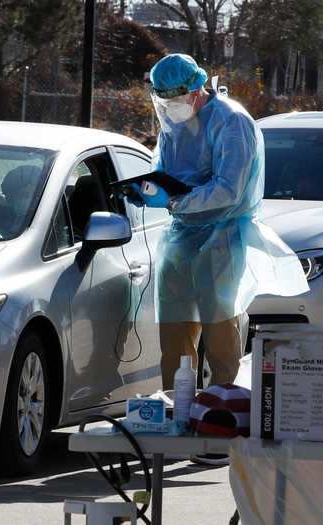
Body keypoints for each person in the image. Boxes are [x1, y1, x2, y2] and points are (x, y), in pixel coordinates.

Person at [128, 53, 308, 393]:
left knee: (220, 336)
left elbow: (228, 189)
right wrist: (149, 188)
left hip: (222, 237)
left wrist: (174, 200)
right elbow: (164, 168)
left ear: (196, 90)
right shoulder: (173, 121)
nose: (170, 107)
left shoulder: (231, 122)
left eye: (176, 99)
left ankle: (225, 417)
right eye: (163, 100)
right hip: (181, 235)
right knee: (175, 333)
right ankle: (176, 411)